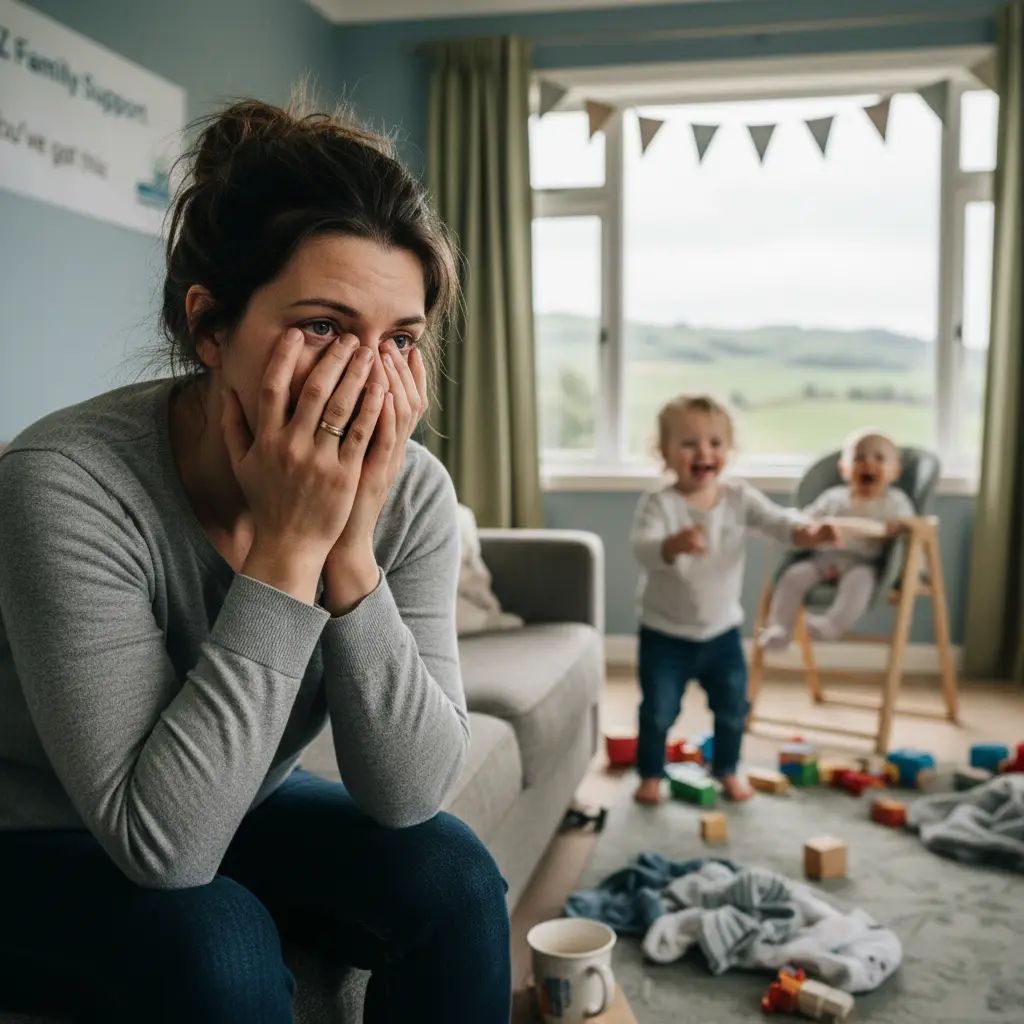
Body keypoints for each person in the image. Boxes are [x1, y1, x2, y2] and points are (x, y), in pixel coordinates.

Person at [0, 99, 511, 1023]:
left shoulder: (414, 491)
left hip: (232, 798)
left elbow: (410, 794)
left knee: (456, 876)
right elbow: (164, 849)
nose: (362, 380)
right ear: (210, 327)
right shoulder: (63, 483)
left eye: (399, 340)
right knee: (216, 937)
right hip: (32, 831)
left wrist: (350, 551)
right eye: (323, 325)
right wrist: (288, 549)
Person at [629, 395, 838, 805]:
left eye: (714, 443)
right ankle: (651, 773)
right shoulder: (659, 502)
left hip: (722, 633)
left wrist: (809, 532)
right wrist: (672, 544)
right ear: (664, 453)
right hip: (664, 633)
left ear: (728, 451)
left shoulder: (740, 498)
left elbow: (780, 522)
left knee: (733, 709)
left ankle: (726, 769)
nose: (703, 452)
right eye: (689, 443)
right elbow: (642, 548)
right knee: (657, 711)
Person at [759, 429, 915, 648]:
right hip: (823, 559)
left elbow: (909, 528)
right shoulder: (833, 498)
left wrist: (893, 529)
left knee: (860, 583)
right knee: (793, 576)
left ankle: (830, 625)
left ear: (895, 471)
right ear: (844, 468)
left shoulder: (896, 502)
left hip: (864, 563)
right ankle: (781, 629)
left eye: (879, 458)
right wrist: (799, 524)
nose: (868, 463)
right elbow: (808, 520)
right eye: (859, 457)